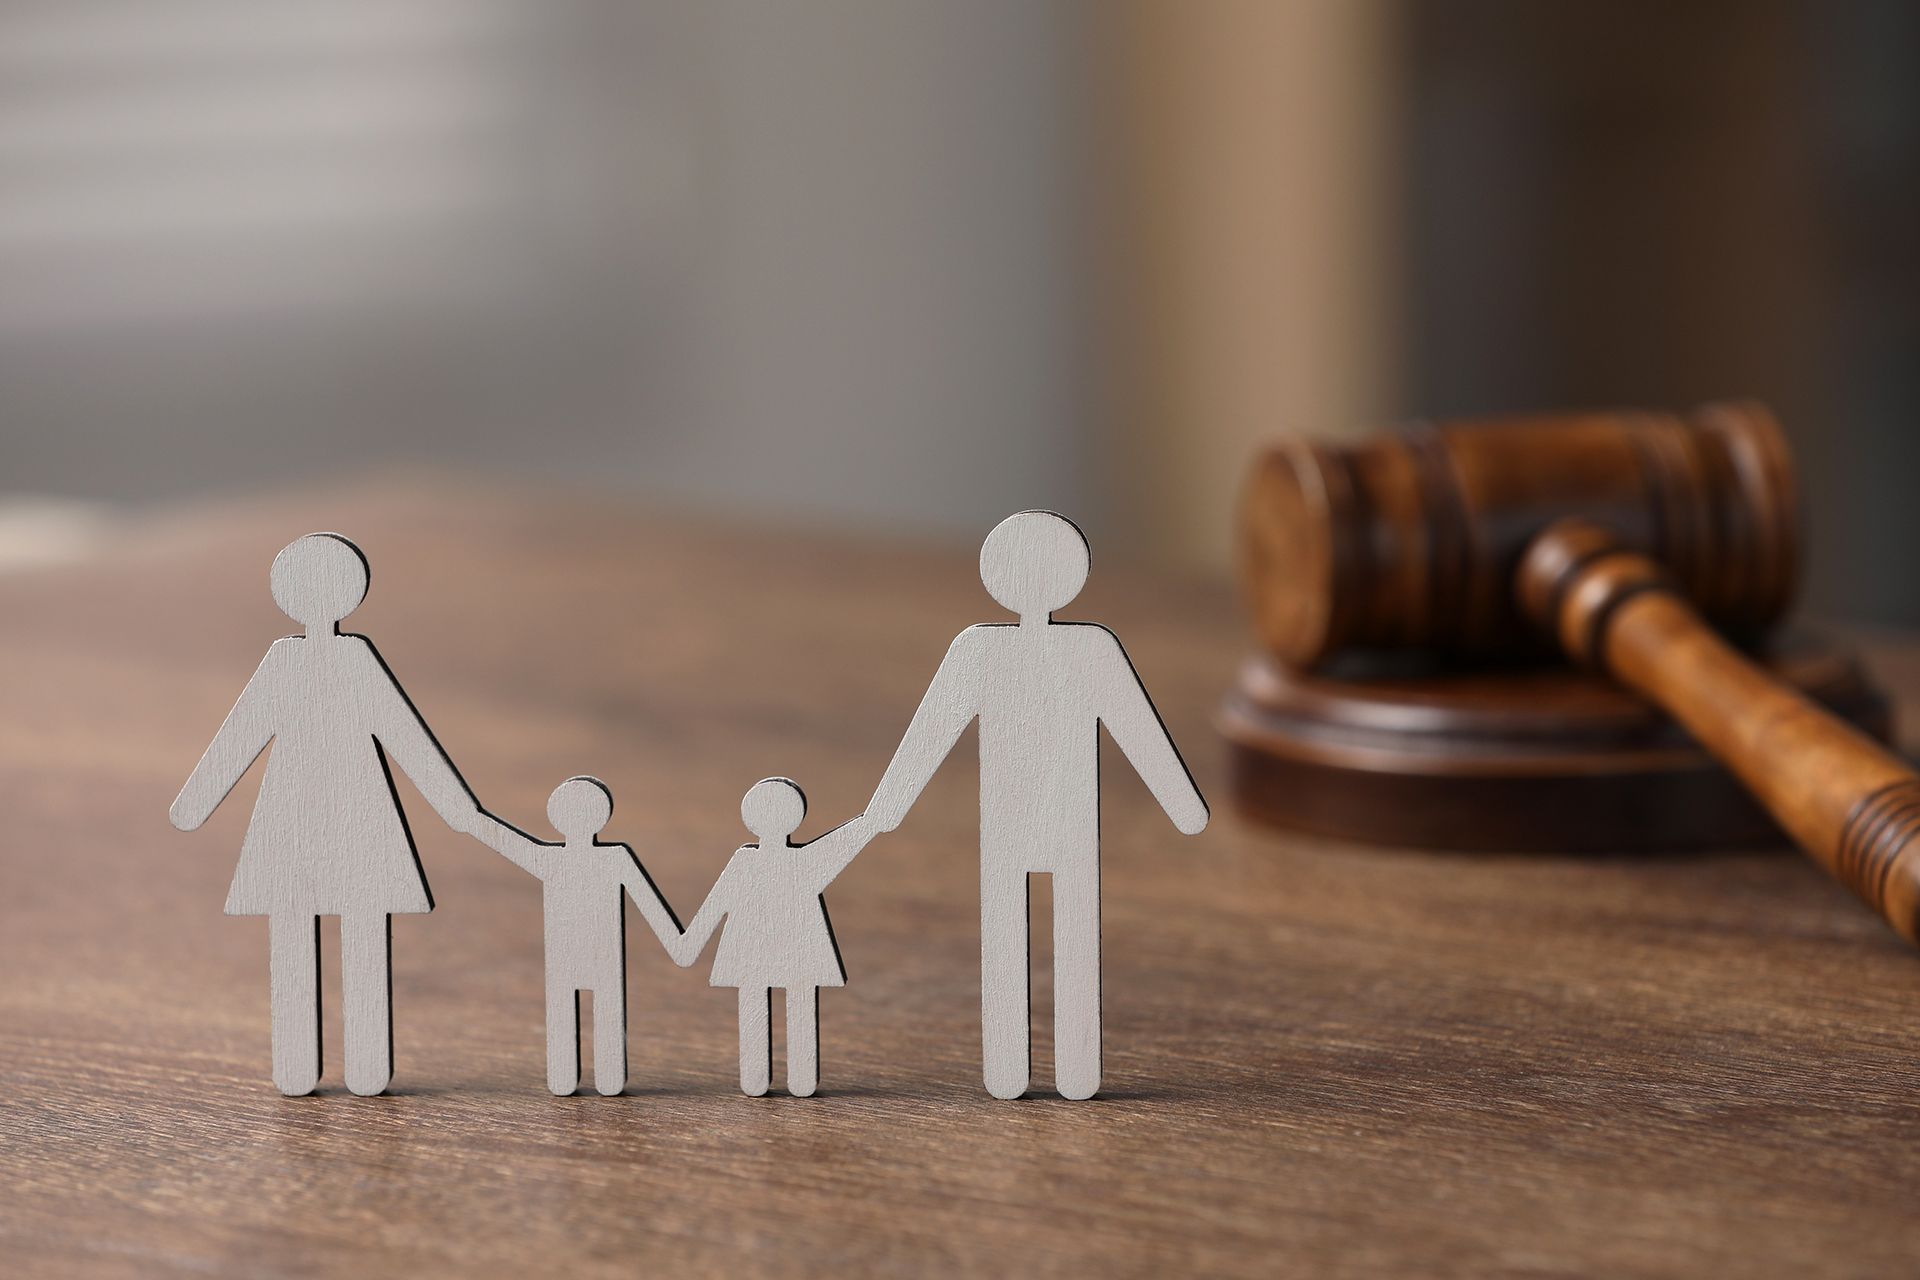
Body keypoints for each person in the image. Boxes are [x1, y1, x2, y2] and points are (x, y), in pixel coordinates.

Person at [867, 510, 1209, 1100]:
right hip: (1034, 820)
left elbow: (1136, 727)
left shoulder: (1001, 650)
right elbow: (933, 729)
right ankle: (1045, 1070)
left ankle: (1039, 1069)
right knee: (1054, 936)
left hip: (1040, 820)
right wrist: (1183, 809)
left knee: (1032, 935)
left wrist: (888, 809)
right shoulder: (1061, 648)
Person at [170, 533, 489, 1096]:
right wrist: (459, 809)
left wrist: (194, 806)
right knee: (331, 933)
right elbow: (244, 735)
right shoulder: (313, 661)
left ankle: (338, 1065)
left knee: (322, 934)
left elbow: (401, 734)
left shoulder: (323, 661)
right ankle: (337, 1066)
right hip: (329, 819)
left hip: (327, 818)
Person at [472, 777, 682, 1096]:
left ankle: (578, 1078)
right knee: (591, 1013)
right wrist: (678, 942)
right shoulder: (602, 858)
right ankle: (591, 1078)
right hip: (585, 956)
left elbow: (494, 834)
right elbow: (653, 905)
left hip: (585, 955)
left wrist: (468, 816)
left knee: (579, 1013)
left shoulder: (567, 858)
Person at [671, 778, 877, 1097]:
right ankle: (793, 1078)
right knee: (795, 1004)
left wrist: (688, 943)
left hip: (761, 952)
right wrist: (873, 820)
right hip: (791, 952)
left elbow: (714, 907)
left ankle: (768, 1078)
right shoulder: (800, 860)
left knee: (771, 1003)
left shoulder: (757, 861)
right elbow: (853, 836)